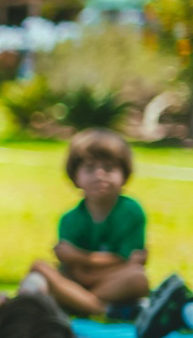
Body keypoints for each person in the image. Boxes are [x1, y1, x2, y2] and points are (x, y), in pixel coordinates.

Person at [27, 129, 149, 319]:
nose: (100, 175)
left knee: (137, 278)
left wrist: (79, 257)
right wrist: (110, 261)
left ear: (124, 174)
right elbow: (79, 273)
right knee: (37, 271)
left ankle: (78, 303)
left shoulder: (132, 212)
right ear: (75, 176)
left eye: (109, 168)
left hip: (110, 282)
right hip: (81, 281)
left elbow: (133, 262)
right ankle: (102, 308)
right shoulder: (70, 219)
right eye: (90, 168)